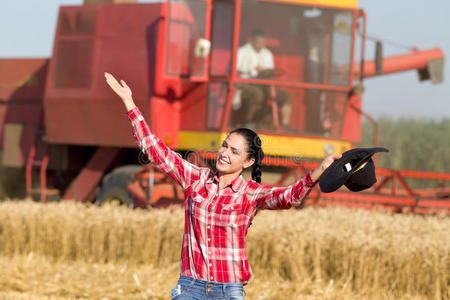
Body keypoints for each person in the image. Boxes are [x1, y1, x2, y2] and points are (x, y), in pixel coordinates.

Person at [104, 72, 340, 300]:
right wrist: (129, 103)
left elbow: (289, 197)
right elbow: (157, 151)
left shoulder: (250, 193)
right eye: (225, 146)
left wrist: (319, 170)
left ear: (247, 162)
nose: (224, 153)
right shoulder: (196, 179)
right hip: (190, 286)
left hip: (229, 291)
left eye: (234, 151)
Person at [234, 30, 292, 131]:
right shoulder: (242, 52)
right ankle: (248, 121)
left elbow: (269, 71)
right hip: (245, 83)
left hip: (264, 84)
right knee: (257, 95)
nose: (261, 45)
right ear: (252, 41)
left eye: (263, 43)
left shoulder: (267, 53)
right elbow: (236, 70)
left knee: (286, 96)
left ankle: (285, 125)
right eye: (259, 42)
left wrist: (265, 72)